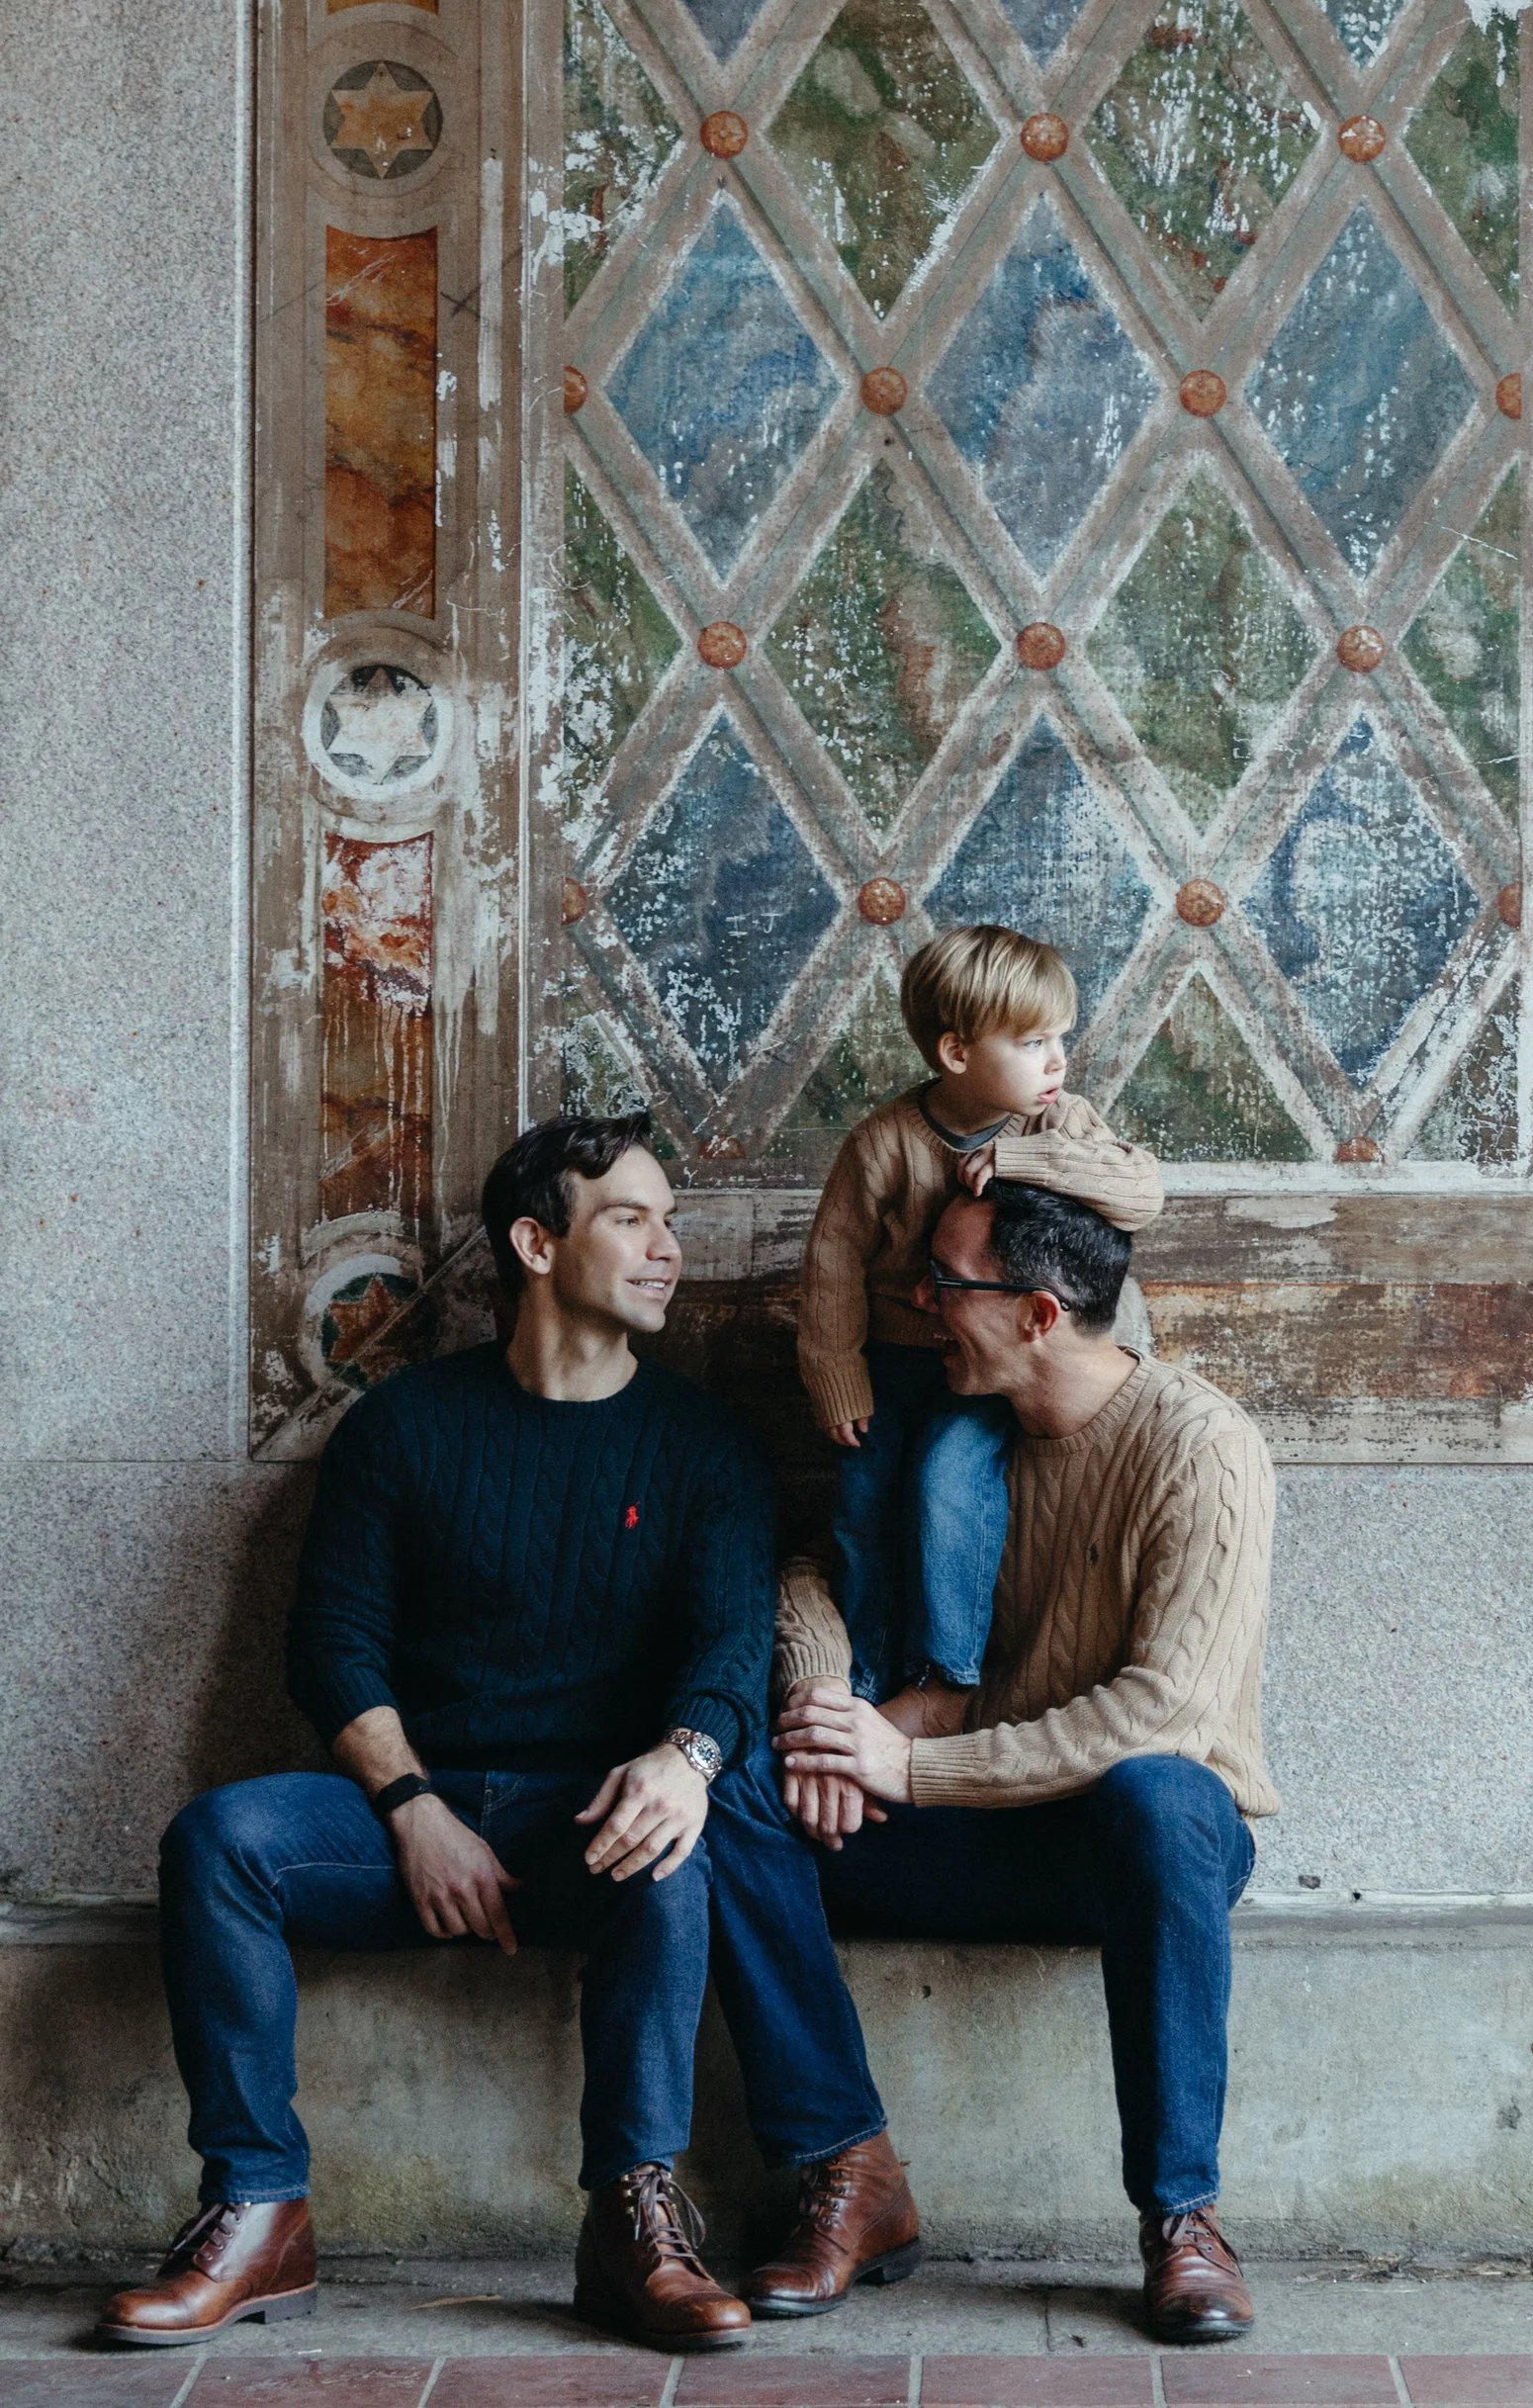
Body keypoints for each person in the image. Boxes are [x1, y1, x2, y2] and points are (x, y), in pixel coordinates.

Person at [99, 1114, 774, 2356]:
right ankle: (256, 2209)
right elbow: (333, 1647)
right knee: (220, 1840)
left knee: (673, 1849)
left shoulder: (702, 1446)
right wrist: (414, 1811)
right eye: (633, 1218)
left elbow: (733, 1647)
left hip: (592, 1817)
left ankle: (632, 2219)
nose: (669, 1247)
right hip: (417, 1803)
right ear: (535, 1241)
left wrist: (687, 1758)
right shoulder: (404, 1429)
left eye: (666, 1220)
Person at [704, 1170, 1278, 2346]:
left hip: (1124, 1845)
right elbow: (811, 1570)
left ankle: (1183, 2220)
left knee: (1164, 1796)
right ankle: (852, 2172)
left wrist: (905, 1769)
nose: (918, 1304)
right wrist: (823, 1704)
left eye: (946, 1285)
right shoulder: (955, 1439)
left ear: (1038, 1312)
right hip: (978, 1829)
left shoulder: (1201, 1445)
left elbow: (1161, 1710)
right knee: (738, 1800)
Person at [797, 923, 1160, 1713]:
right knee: (862, 1504)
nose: (1058, 1059)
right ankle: (865, 1673)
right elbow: (832, 1270)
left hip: (994, 1365)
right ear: (958, 1052)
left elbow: (1141, 1194)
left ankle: (947, 1674)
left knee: (946, 1481)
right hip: (893, 1360)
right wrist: (837, 1376)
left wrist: (1025, 1162)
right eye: (1033, 1041)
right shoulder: (883, 1143)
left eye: (1061, 1035)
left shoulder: (1054, 1123)